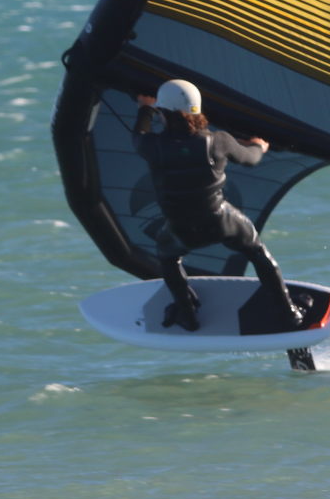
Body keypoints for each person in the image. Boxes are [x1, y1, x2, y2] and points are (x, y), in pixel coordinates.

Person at [132, 78, 308, 332]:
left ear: (163, 113)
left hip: (182, 229)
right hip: (222, 221)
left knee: (168, 258)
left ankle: (188, 314)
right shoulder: (219, 141)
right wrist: (258, 145)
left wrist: (145, 108)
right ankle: (288, 312)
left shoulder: (151, 146)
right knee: (257, 253)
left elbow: (138, 135)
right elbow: (250, 159)